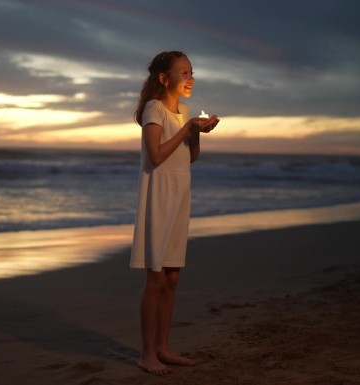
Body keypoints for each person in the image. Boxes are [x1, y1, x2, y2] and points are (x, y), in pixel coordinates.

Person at [130, 51, 219, 375]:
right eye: (183, 72)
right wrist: (186, 129)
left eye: (192, 72)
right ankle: (146, 353)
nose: (190, 78)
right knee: (155, 277)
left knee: (172, 275)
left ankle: (163, 348)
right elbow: (155, 157)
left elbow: (189, 156)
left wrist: (196, 131)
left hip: (180, 193)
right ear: (164, 78)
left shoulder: (183, 111)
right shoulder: (154, 109)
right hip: (159, 195)